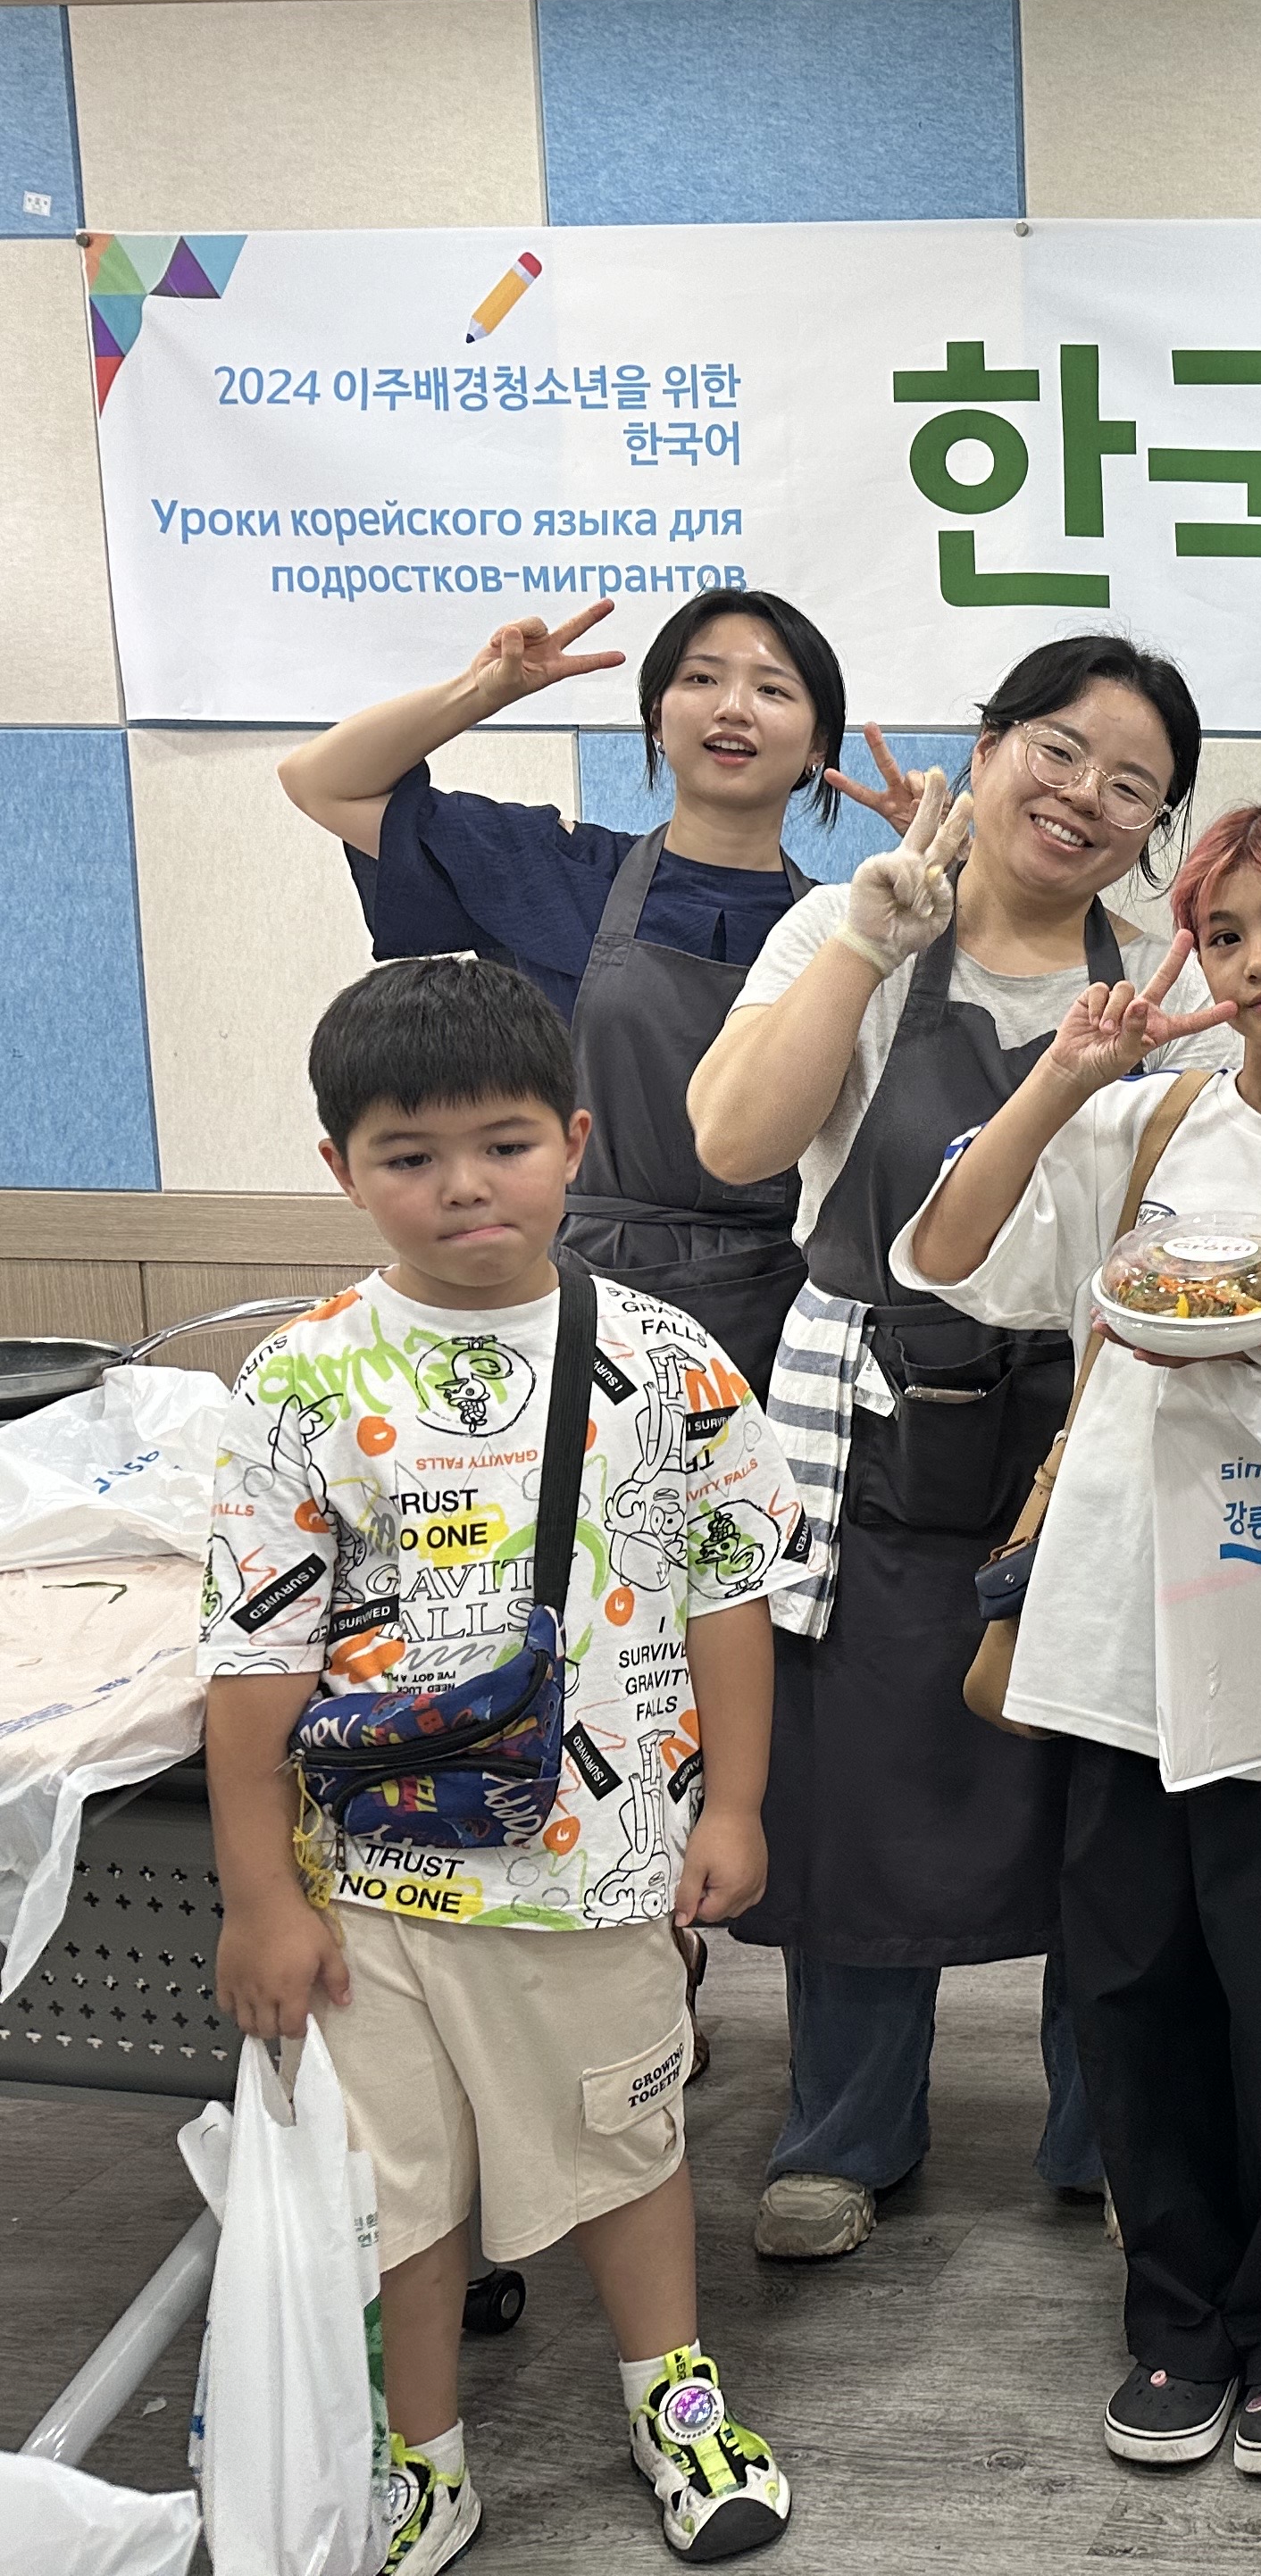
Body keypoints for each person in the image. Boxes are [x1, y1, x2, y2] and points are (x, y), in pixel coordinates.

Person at [202, 958, 801, 2572]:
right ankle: (422, 2454)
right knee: (395, 2187)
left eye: (505, 1142)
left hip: (598, 1864)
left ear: (575, 1141)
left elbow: (730, 1591)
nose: (464, 1183)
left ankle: (674, 2398)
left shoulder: (671, 1362)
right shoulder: (300, 1381)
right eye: (410, 1154)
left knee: (627, 2141)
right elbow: (253, 1665)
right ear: (341, 1168)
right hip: (370, 1885)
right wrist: (259, 1898)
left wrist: (737, 1803)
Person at [901, 803, 1261, 2481]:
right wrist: (1066, 1074)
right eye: (1226, 935)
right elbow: (947, 1249)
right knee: (1132, 1992)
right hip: (1117, 1637)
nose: (1258, 960)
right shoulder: (1151, 1122)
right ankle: (1177, 2317)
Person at [685, 635, 1234, 2263]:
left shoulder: (1165, 987)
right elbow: (734, 1141)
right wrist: (869, 940)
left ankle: (1106, 2129)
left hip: (1087, 1416)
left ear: (1153, 829)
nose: (1083, 797)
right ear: (986, 751)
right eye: (1058, 750)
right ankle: (842, 2131)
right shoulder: (846, 921)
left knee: (1093, 1784)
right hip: (868, 1417)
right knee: (865, 1778)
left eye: (1132, 785)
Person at [281, 589, 913, 1395]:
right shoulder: (555, 871)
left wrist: (961, 871)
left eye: (772, 689)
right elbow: (322, 782)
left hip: (789, 1316)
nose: (733, 707)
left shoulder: (852, 930)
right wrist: (482, 691)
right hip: (576, 1303)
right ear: (656, 718)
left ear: (819, 742)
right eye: (701, 679)